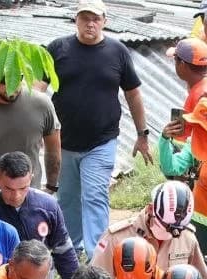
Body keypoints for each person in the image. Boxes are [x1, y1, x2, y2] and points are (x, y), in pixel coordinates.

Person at [45, 0, 151, 253]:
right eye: (85, 17)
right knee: (68, 199)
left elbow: (133, 94)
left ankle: (98, 255)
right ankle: (69, 250)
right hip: (65, 142)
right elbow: (39, 88)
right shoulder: (57, 49)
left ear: (105, 21)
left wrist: (142, 134)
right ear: (76, 20)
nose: (90, 23)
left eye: (95, 18)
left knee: (93, 196)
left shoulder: (117, 52)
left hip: (101, 141)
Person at [90, 181, 207, 279]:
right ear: (151, 209)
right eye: (166, 226)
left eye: (176, 229)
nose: (171, 233)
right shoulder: (116, 238)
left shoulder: (186, 238)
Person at [0, 152, 78, 279]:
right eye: (9, 189)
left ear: (31, 179)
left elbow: (64, 251)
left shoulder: (48, 206)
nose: (16, 196)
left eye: (23, 188)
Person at [159, 94, 207, 251]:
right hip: (192, 221)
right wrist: (165, 139)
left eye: (201, 127)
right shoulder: (194, 144)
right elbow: (171, 167)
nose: (196, 131)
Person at [0, 79, 61, 190]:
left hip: (28, 195)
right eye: (4, 80)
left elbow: (53, 151)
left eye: (17, 77)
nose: (11, 87)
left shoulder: (41, 104)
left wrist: (51, 185)